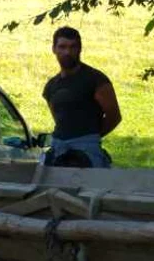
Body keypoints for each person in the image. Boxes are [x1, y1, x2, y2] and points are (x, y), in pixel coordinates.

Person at [43, 27, 121, 168]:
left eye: (73, 47)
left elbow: (114, 116)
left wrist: (90, 136)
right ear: (54, 49)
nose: (68, 52)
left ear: (80, 49)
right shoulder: (51, 86)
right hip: (58, 147)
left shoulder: (95, 79)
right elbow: (58, 117)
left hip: (87, 149)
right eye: (62, 47)